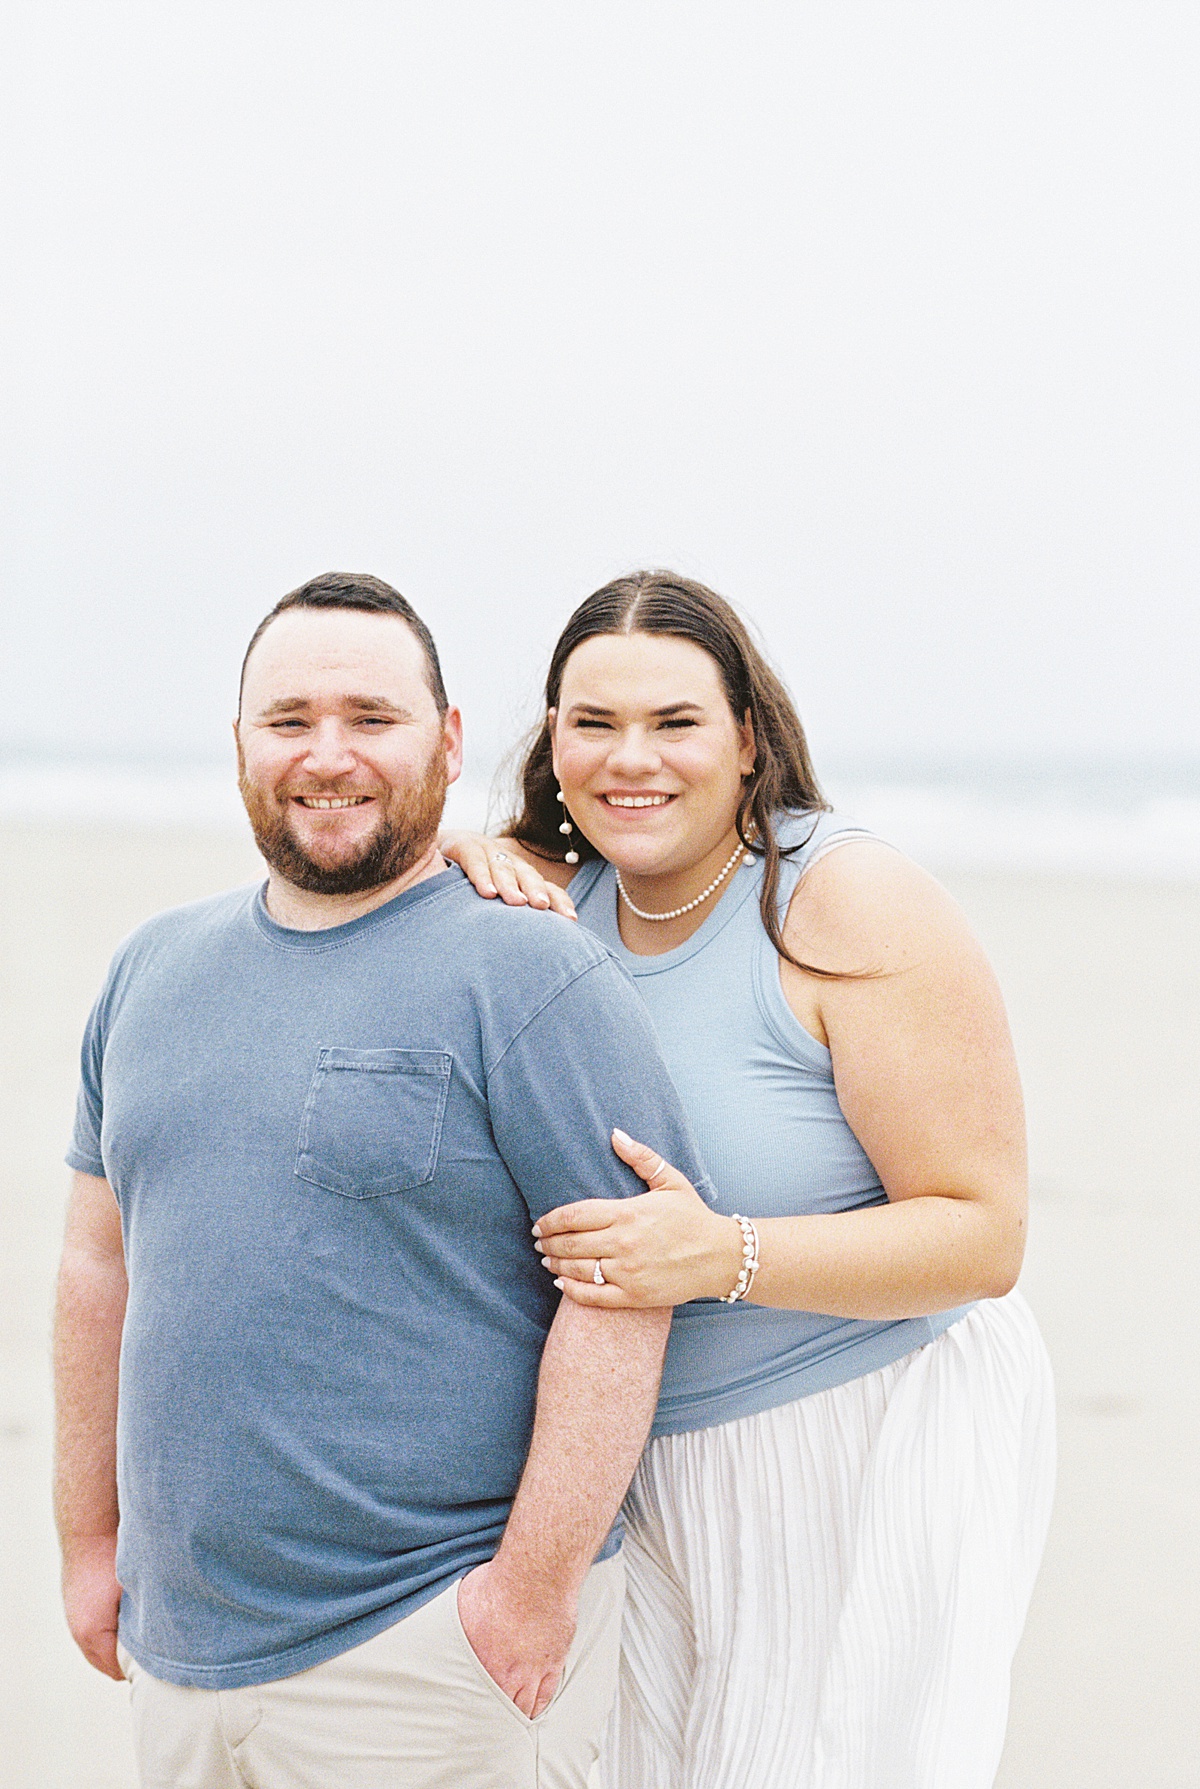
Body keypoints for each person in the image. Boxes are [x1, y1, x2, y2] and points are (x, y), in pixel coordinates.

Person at [53, 571, 718, 1789]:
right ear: (240, 742)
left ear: (449, 740)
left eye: (373, 717)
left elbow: (625, 1290)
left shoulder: (531, 975)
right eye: (289, 718)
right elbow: (99, 1266)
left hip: (428, 1652)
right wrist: (87, 1539)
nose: (329, 754)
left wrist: (526, 1598)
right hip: (180, 1653)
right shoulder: (149, 970)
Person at [443, 569, 1056, 1789]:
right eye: (593, 723)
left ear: (747, 739)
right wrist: (457, 854)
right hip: (640, 1457)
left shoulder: (844, 900)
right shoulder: (549, 901)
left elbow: (984, 1236)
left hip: (870, 1422)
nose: (633, 759)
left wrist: (722, 1254)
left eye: (674, 722)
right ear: (549, 741)